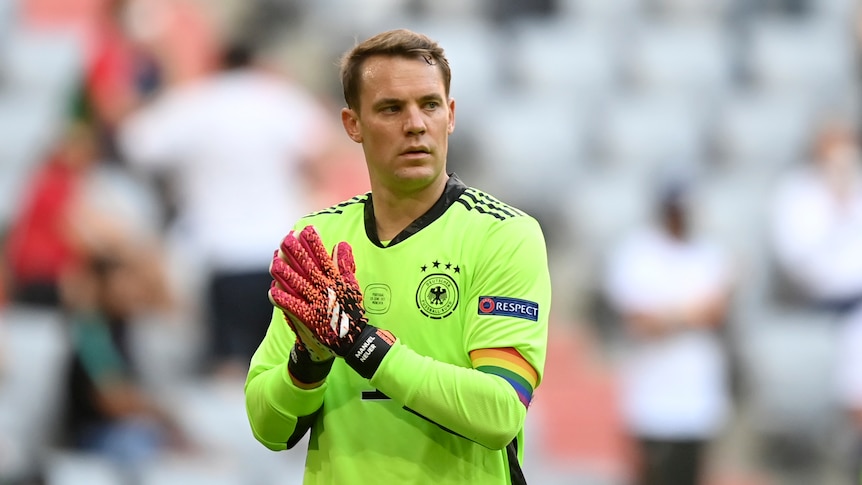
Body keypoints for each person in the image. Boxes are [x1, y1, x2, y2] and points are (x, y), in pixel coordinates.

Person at [244, 29, 552, 484]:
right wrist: (308, 361)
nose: (415, 124)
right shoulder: (317, 240)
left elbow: (499, 412)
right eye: (391, 108)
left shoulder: (503, 235)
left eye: (428, 105)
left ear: (449, 116)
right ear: (353, 124)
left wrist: (363, 347)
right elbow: (268, 427)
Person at [118, 40, 336, 376]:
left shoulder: (197, 100)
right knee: (280, 360)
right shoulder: (278, 98)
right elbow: (323, 147)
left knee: (229, 367)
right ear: (256, 63)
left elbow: (136, 143)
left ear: (218, 64)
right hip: (278, 250)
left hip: (217, 252)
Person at [601, 175, 735, 485]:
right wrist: (690, 313)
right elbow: (639, 322)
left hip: (698, 394)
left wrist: (668, 315)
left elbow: (716, 313)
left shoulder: (709, 253)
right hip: (652, 397)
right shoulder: (639, 252)